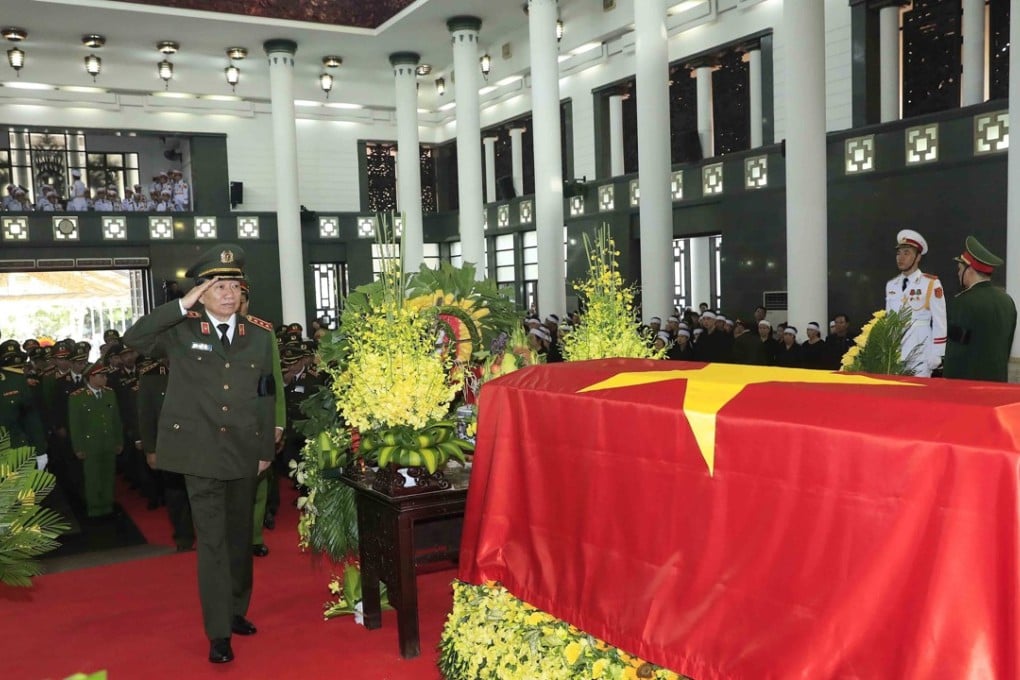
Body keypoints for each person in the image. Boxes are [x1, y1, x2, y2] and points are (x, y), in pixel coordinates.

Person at [122, 243, 279, 664]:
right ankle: (217, 632)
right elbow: (134, 338)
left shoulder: (259, 336)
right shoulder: (180, 330)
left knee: (239, 539)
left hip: (245, 451)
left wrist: (265, 449)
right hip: (199, 453)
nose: (228, 293)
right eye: (217, 285)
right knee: (211, 542)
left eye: (234, 285)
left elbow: (266, 396)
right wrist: (179, 304)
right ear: (201, 292)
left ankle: (236, 609)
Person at [943, 236, 1017, 382]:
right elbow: (1006, 347)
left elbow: (955, 352)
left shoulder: (962, 303)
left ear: (970, 269)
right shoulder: (1007, 302)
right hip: (997, 384)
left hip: (968, 387)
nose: (958, 273)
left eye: (960, 269)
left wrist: (947, 381)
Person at [885, 229, 946, 377]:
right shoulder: (891, 285)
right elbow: (889, 320)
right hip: (896, 353)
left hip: (921, 352)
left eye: (907, 253)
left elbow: (940, 321)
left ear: (918, 257)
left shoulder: (930, 283)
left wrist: (937, 353)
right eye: (899, 253)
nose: (901, 258)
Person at [67, 362, 123, 518]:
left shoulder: (110, 393)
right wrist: (78, 447)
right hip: (90, 444)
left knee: (108, 476)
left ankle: (107, 506)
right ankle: (95, 509)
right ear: (90, 377)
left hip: (109, 442)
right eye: (101, 375)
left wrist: (119, 441)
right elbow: (75, 425)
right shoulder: (77, 397)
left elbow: (116, 420)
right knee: (93, 478)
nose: (105, 379)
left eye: (105, 375)